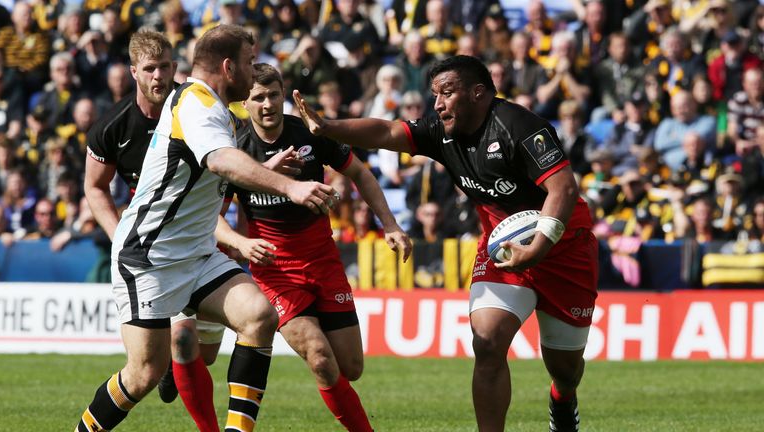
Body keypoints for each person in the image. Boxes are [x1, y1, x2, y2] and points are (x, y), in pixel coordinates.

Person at [294, 55, 598, 432]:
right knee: (486, 342)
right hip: (502, 249)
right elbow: (387, 132)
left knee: (565, 368)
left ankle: (562, 399)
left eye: (447, 93)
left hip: (564, 247)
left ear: (478, 92)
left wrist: (538, 247)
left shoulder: (520, 126)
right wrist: (328, 127)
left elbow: (564, 188)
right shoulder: (440, 131)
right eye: (435, 93)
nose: (437, 103)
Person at [75, 24, 337, 432]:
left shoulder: (211, 104)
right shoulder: (197, 103)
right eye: (250, 64)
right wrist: (291, 186)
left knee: (259, 316)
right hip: (151, 256)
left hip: (197, 252)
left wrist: (264, 171)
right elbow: (218, 161)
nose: (255, 74)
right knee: (144, 374)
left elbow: (211, 173)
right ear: (229, 67)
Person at [216, 63, 411, 431]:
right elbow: (212, 217)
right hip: (275, 271)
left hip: (323, 261)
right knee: (320, 357)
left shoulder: (306, 133)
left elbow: (361, 173)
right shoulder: (236, 150)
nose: (267, 104)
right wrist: (240, 242)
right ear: (246, 102)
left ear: (284, 94)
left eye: (273, 95)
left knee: (350, 367)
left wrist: (391, 224)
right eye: (258, 97)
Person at [84, 29, 229, 432]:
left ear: (176, 67)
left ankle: (171, 366)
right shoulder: (113, 125)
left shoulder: (195, 106)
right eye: (150, 69)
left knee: (203, 353)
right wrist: (120, 238)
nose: (159, 76)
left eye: (166, 66)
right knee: (161, 358)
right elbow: (94, 188)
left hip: (197, 237)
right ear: (134, 72)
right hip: (150, 249)